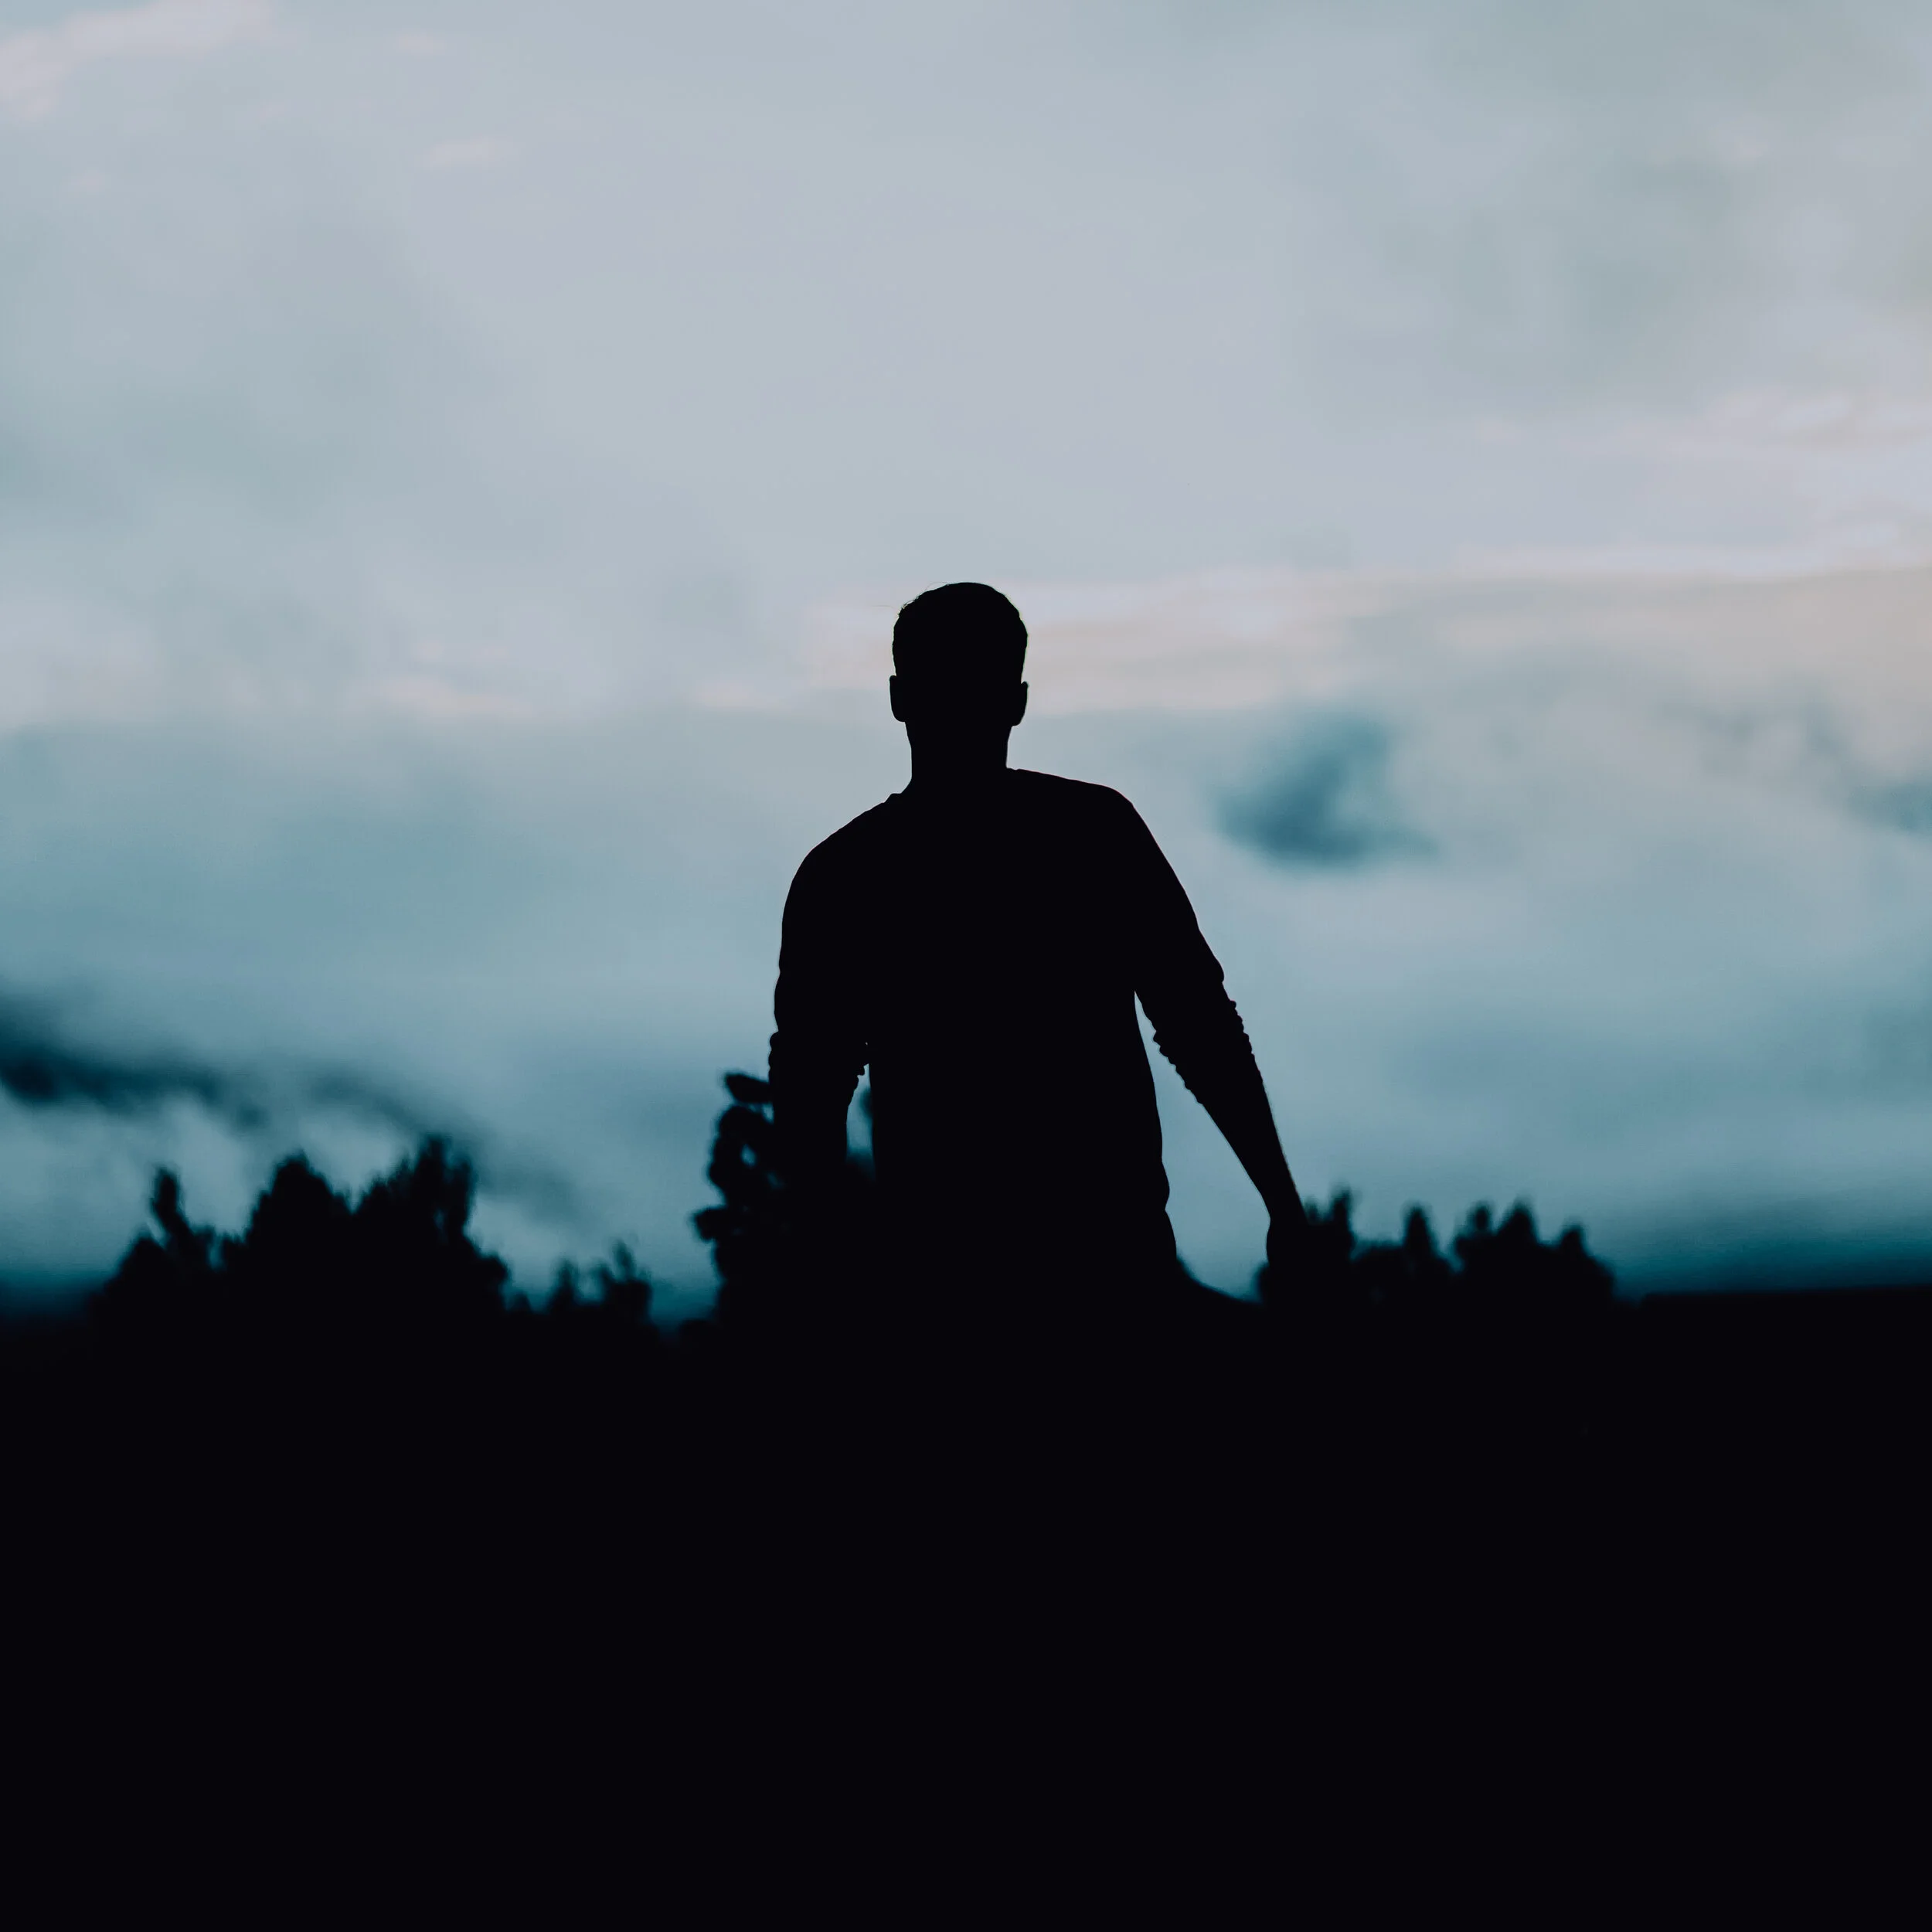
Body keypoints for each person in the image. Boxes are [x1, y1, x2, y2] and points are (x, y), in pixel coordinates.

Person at [768, 582, 1308, 1317]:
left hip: (944, 1284)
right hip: (1113, 1272)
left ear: (898, 698)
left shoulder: (843, 875)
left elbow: (810, 1092)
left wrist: (817, 1271)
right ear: (1018, 700)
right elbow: (1199, 1023)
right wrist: (1281, 1201)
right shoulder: (1096, 835)